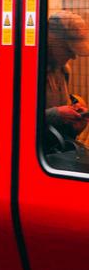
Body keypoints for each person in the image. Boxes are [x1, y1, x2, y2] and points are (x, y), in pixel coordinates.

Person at [43, 10, 89, 170]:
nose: (74, 57)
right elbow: (11, 120)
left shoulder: (64, 70)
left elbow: (57, 126)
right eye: (69, 50)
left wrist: (74, 124)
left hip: (54, 151)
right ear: (53, 41)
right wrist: (56, 114)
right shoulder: (28, 71)